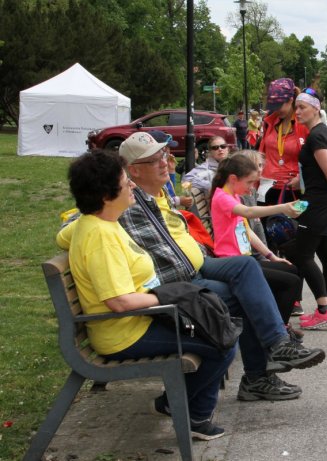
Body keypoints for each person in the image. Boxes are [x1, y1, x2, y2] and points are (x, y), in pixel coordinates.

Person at [58, 132, 326, 403]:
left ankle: (277, 344)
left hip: (198, 265)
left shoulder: (156, 194)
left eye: (163, 155)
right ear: (133, 171)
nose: (165, 162)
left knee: (248, 268)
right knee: (243, 299)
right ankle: (258, 375)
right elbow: (80, 220)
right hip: (175, 284)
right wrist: (77, 231)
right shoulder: (121, 202)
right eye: (154, 160)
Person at [65, 149, 235, 440]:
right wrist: (173, 297)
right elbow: (119, 301)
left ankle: (185, 409)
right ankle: (184, 411)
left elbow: (68, 233)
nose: (131, 184)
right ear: (106, 194)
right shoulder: (100, 236)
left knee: (218, 325)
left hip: (139, 319)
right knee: (222, 342)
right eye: (124, 180)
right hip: (124, 333)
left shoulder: (102, 222)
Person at [209, 153, 304, 330]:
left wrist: (271, 256)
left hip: (245, 260)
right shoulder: (222, 198)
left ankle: (277, 325)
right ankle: (278, 333)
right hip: (233, 263)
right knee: (290, 282)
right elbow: (249, 212)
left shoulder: (233, 196)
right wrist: (283, 207)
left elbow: (247, 231)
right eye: (249, 182)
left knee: (290, 269)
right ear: (233, 179)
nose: (252, 188)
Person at [282, 88, 327, 330]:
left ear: (315, 108)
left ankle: (323, 309)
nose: (297, 112)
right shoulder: (325, 133)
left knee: (300, 254)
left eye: (302, 107)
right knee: (325, 253)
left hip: (318, 204)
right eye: (296, 107)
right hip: (325, 201)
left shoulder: (317, 137)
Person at [258, 78, 310, 206]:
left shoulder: (304, 125)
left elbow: (315, 160)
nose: (276, 109)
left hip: (293, 190)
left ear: (291, 100)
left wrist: (301, 179)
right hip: (267, 187)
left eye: (279, 104)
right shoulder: (269, 122)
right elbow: (263, 153)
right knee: (266, 225)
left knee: (292, 226)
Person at [152, 130, 194, 209]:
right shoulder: (153, 171)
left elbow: (170, 192)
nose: (168, 151)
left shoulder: (162, 168)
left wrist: (171, 172)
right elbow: (158, 201)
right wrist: (179, 201)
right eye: (166, 148)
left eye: (169, 148)